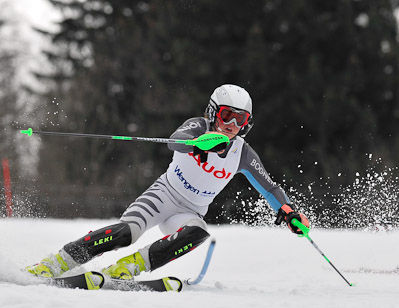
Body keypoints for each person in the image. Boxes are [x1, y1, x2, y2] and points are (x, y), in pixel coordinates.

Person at [25, 84, 310, 281]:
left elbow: (269, 187)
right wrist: (202, 144)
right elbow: (176, 142)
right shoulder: (198, 127)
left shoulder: (242, 153)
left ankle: (127, 269)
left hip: (190, 211)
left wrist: (288, 211)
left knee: (198, 232)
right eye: (227, 116)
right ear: (213, 112)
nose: (231, 125)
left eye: (240, 120)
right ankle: (58, 261)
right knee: (128, 232)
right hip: (163, 195)